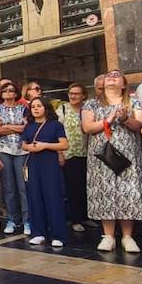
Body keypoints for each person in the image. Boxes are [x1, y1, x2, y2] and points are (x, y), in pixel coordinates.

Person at [81, 69, 142, 252]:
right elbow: (87, 127)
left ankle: (128, 236)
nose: (112, 77)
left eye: (116, 75)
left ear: (124, 84)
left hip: (128, 155)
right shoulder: (91, 104)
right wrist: (108, 120)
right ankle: (108, 235)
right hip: (102, 156)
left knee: (128, 192)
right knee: (105, 193)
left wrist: (125, 118)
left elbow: (139, 126)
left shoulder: (134, 102)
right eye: (108, 75)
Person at [21, 96, 69, 247]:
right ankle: (38, 232)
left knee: (53, 198)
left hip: (50, 165)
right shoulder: (28, 126)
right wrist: (30, 147)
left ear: (46, 108)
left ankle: (58, 235)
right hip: (33, 164)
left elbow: (64, 145)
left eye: (39, 106)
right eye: (33, 106)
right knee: (34, 197)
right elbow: (23, 144)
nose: (35, 109)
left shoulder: (55, 125)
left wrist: (45, 145)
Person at [0, 83, 29, 234]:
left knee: (23, 187)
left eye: (11, 90)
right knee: (9, 188)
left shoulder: (23, 108)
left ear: (16, 93)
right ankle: (12, 219)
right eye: (5, 90)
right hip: (4, 150)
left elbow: (27, 128)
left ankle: (27, 220)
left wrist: (7, 126)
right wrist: (16, 127)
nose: (8, 92)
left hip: (22, 151)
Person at [57, 83, 89, 233]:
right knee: (72, 188)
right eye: (71, 93)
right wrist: (60, 153)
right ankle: (75, 219)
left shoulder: (87, 109)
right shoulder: (62, 109)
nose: (73, 96)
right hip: (69, 153)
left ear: (83, 95)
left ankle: (86, 216)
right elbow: (56, 133)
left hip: (87, 152)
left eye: (77, 93)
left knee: (85, 186)